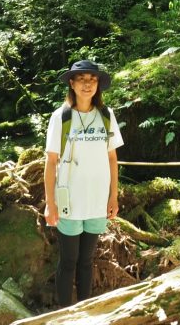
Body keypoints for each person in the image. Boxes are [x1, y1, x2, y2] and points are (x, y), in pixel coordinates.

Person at [44, 59, 124, 307]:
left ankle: (84, 311)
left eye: (92, 80)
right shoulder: (61, 117)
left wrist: (113, 196)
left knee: (87, 260)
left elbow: (112, 158)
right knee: (68, 260)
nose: (87, 84)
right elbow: (50, 162)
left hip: (98, 199)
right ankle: (64, 313)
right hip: (70, 198)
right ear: (72, 83)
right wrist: (50, 204)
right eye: (81, 79)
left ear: (98, 84)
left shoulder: (106, 115)